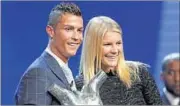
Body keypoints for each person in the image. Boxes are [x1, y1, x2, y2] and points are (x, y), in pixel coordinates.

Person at [75, 16, 163, 105]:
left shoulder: (138, 73)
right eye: (107, 44)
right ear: (92, 47)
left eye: (118, 43)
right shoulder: (81, 86)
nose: (115, 50)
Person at [15, 2, 83, 105]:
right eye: (68, 29)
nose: (76, 37)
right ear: (51, 31)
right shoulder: (37, 74)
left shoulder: (62, 71)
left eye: (79, 30)